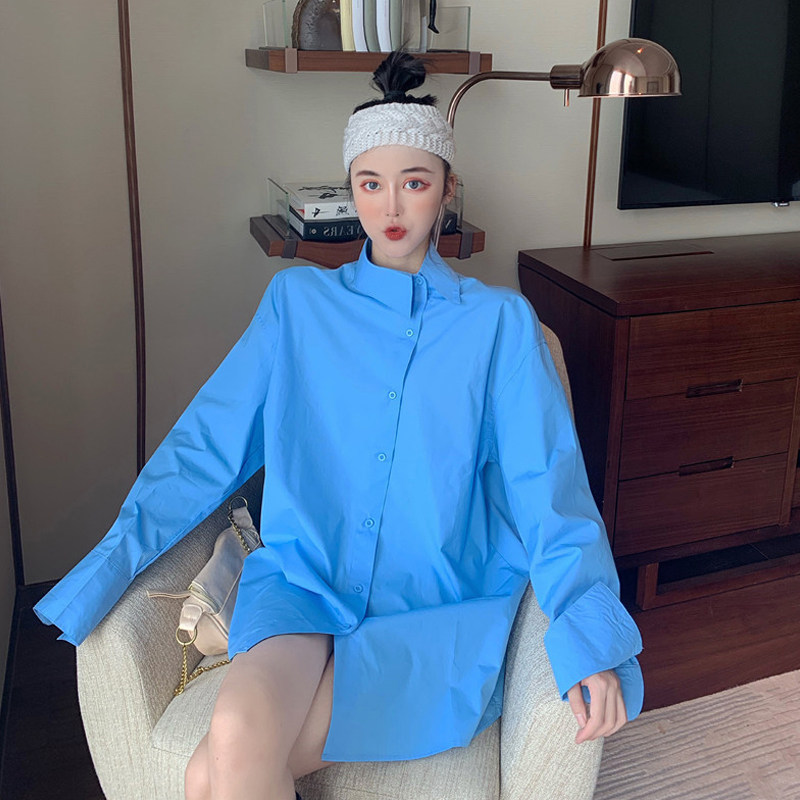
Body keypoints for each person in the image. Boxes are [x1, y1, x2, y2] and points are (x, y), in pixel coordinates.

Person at [33, 51, 643, 800]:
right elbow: (205, 447)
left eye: (415, 183)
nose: (392, 207)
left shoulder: (500, 326)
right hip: (303, 581)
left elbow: (546, 486)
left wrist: (588, 636)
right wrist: (109, 565)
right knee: (236, 731)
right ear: (350, 189)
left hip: (433, 610)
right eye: (370, 184)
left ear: (448, 190)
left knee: (208, 773)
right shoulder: (296, 306)